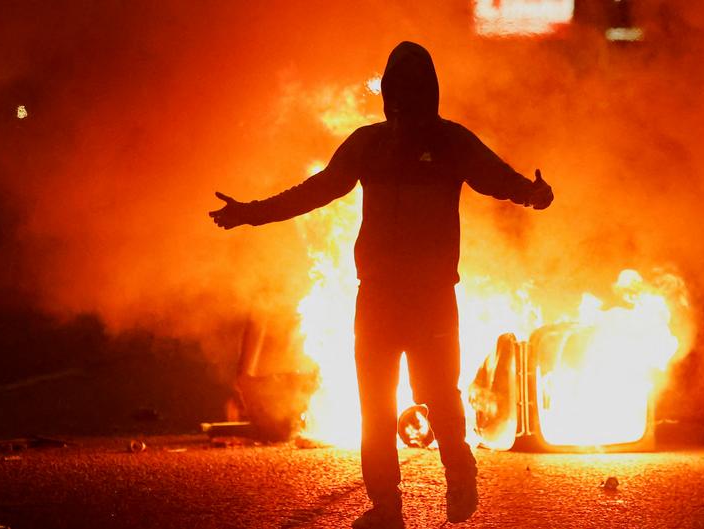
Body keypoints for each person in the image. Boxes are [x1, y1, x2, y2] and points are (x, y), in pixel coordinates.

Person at [209, 41, 553, 528]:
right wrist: (252, 214)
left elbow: (497, 177)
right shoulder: (369, 145)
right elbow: (317, 190)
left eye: (415, 88)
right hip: (378, 297)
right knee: (376, 401)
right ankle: (387, 507)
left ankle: (458, 472)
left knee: (436, 391)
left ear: (426, 92)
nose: (407, 99)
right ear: (391, 95)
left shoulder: (451, 142)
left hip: (430, 295)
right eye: (401, 89)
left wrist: (534, 193)